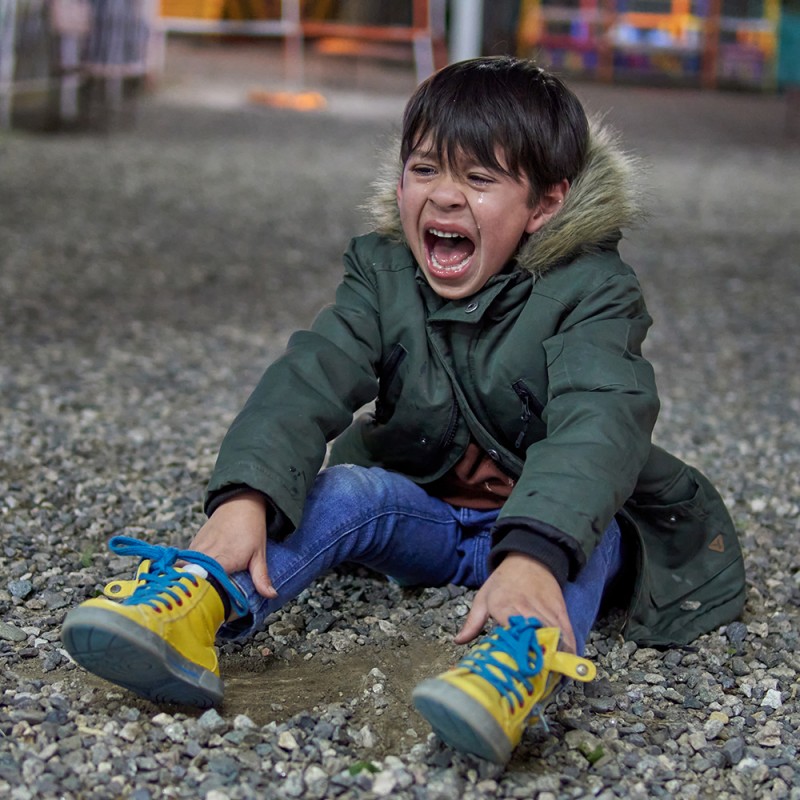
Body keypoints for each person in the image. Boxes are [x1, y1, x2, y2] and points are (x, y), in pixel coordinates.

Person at [61, 56, 746, 765]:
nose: (445, 196)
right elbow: (309, 376)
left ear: (544, 204)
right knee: (345, 491)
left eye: (479, 179)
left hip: (549, 534)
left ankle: (513, 669)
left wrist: (535, 554)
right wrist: (246, 495)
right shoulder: (385, 273)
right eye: (424, 170)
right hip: (433, 516)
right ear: (399, 181)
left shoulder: (594, 291)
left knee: (593, 539)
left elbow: (598, 422)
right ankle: (201, 601)